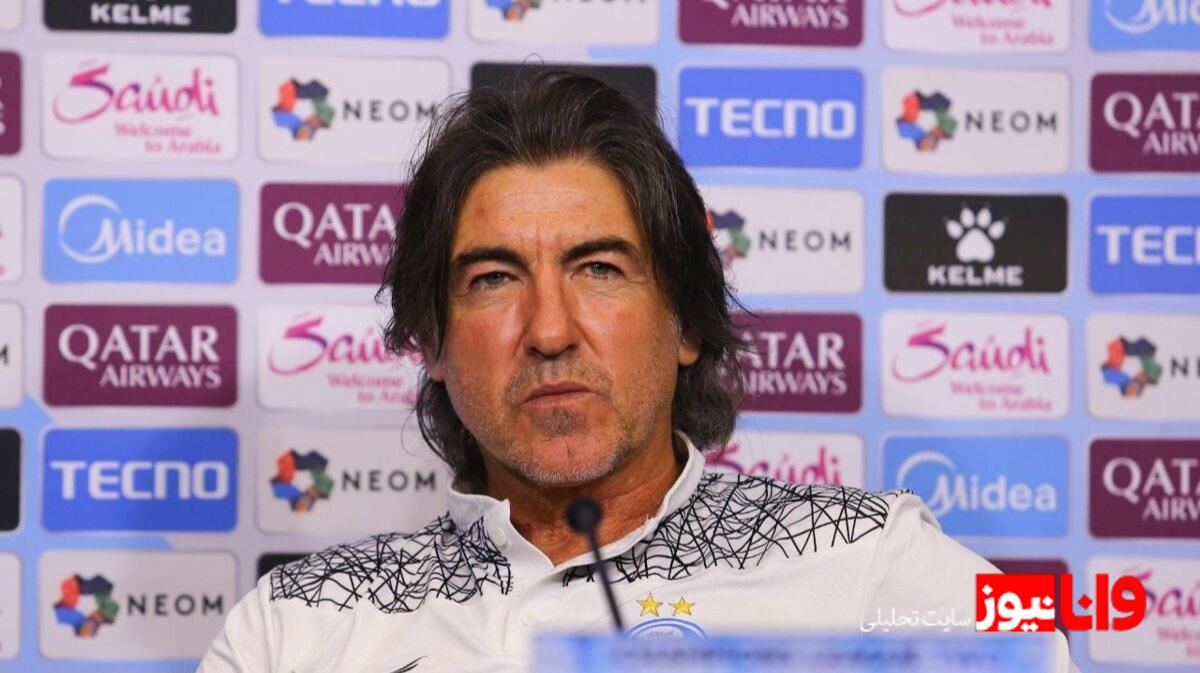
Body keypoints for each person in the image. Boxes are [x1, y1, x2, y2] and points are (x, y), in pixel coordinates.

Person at [197, 70, 1074, 673]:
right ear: (430, 340)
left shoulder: (874, 560)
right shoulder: (296, 625)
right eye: (494, 278)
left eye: (599, 268)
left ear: (685, 319)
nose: (549, 330)